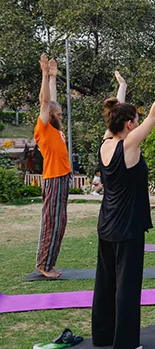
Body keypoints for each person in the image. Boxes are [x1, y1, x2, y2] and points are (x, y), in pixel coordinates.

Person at [91, 60, 155, 349]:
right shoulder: (129, 145)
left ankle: (103, 336)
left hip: (106, 224)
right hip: (127, 226)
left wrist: (122, 88)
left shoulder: (106, 142)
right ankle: (126, 343)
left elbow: (115, 115)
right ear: (130, 124)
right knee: (127, 287)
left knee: (105, 284)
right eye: (135, 120)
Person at [34, 54, 72, 279]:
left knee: (60, 222)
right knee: (52, 222)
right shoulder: (43, 128)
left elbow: (53, 100)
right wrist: (44, 75)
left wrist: (53, 78)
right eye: (56, 114)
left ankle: (49, 263)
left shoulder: (55, 129)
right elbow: (46, 102)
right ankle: (44, 265)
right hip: (54, 178)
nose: (59, 116)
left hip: (62, 177)